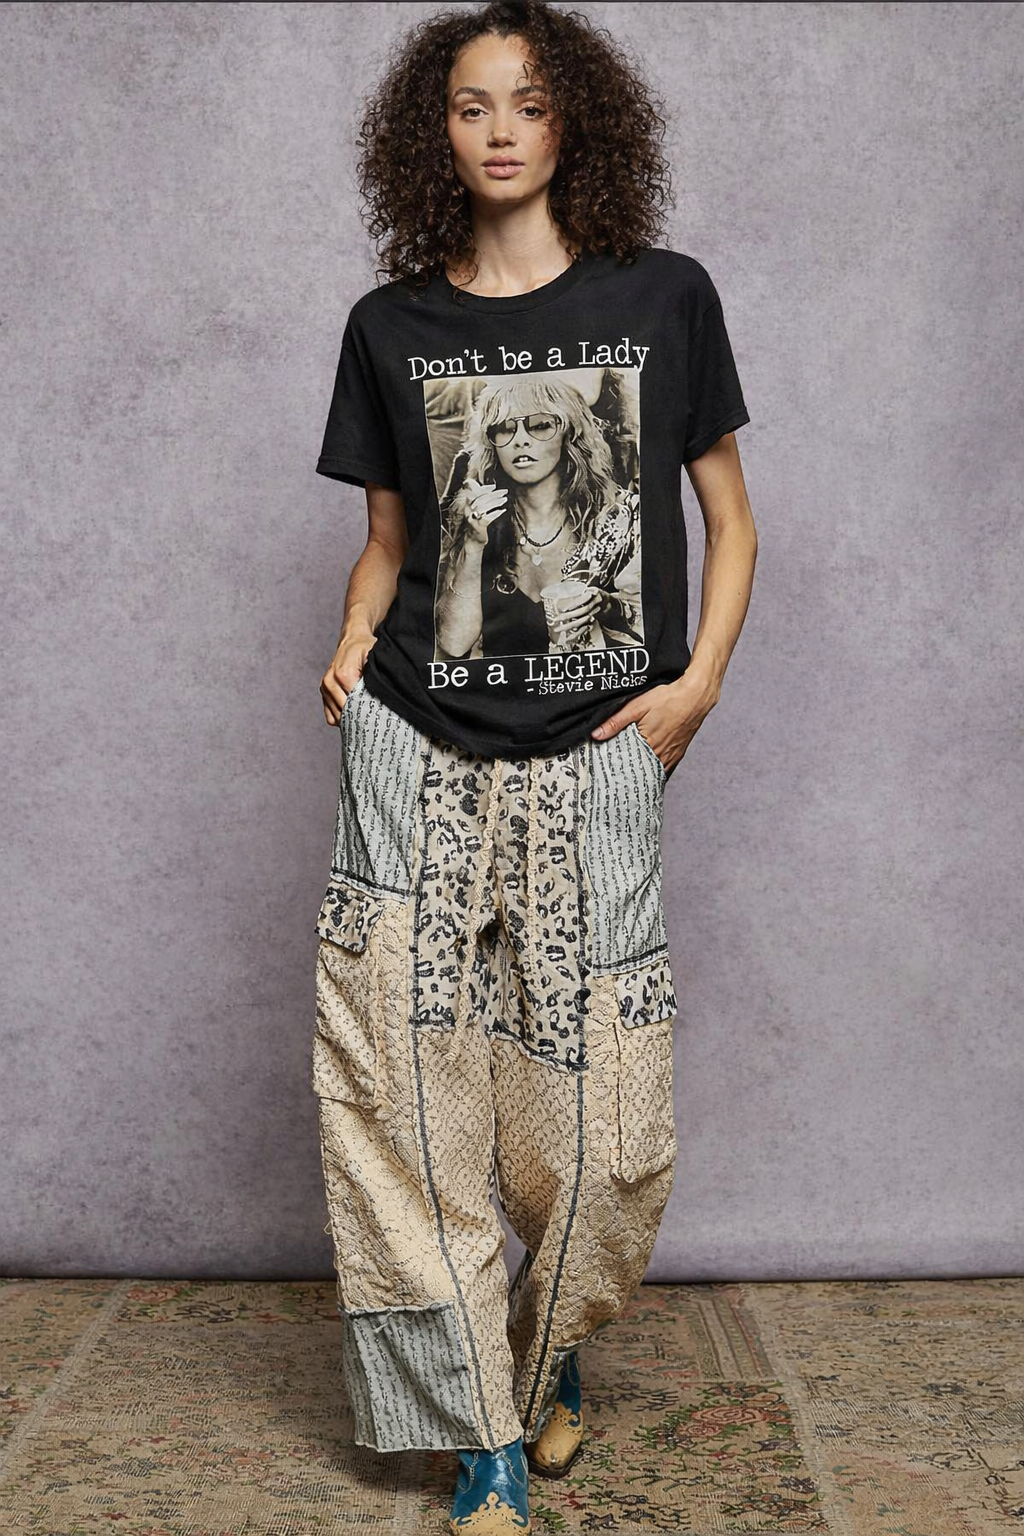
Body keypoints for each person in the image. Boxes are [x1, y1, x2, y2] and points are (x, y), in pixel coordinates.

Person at [311, 2, 757, 1530]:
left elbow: (730, 522)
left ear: (576, 124)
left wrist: (696, 687)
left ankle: (547, 1339)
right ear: (431, 134)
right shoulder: (390, 326)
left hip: (602, 746)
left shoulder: (664, 298)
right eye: (469, 106)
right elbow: (388, 546)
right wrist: (347, 641)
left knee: (605, 1120)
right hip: (412, 738)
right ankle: (481, 1433)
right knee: (399, 1084)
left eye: (528, 103)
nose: (499, 130)